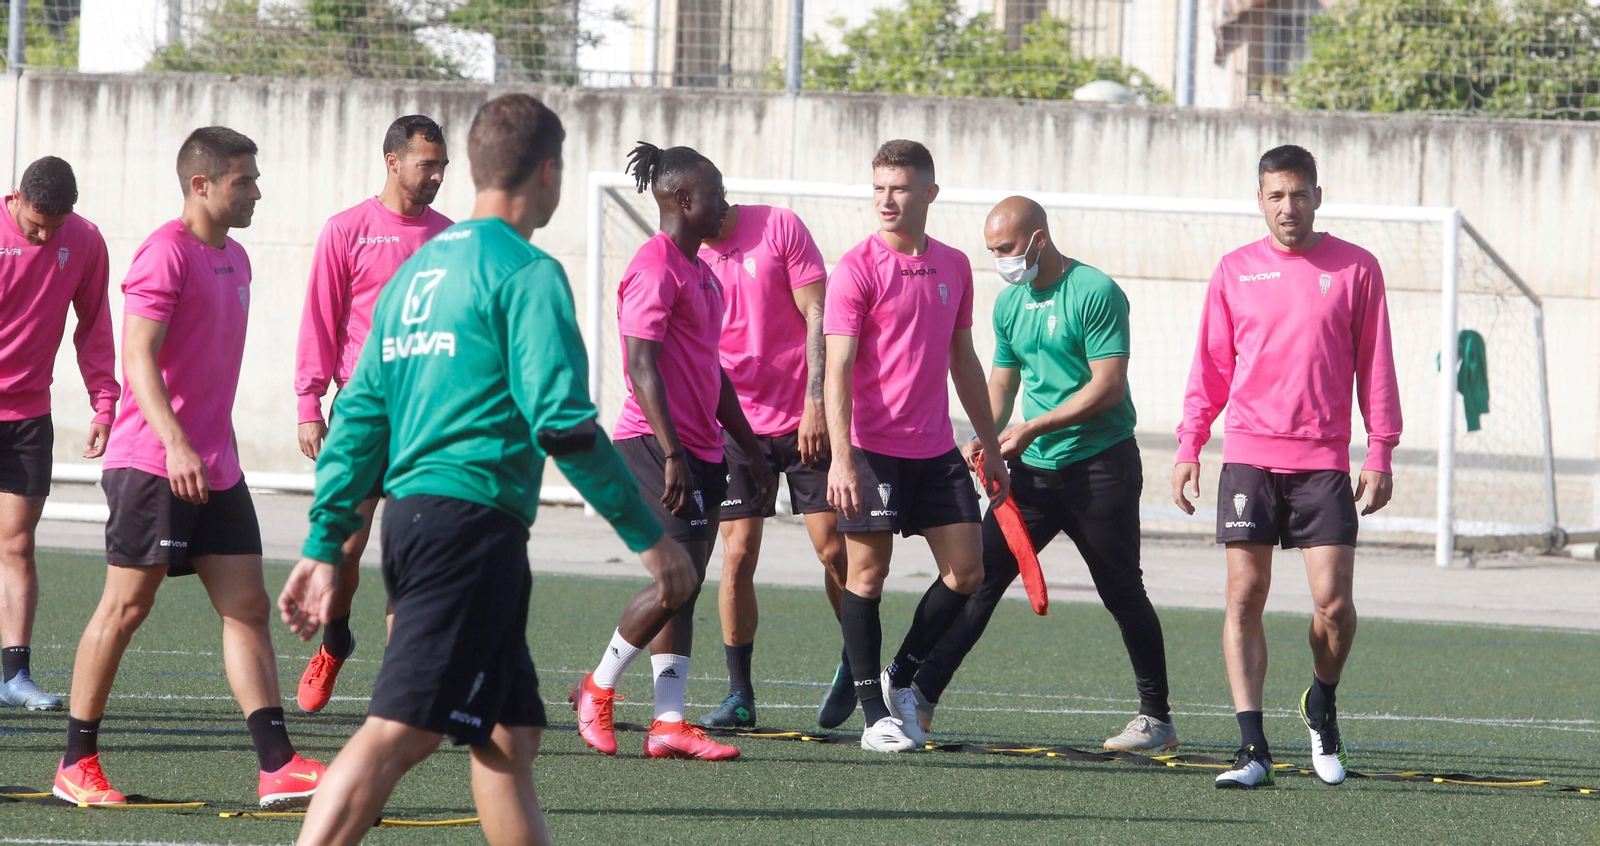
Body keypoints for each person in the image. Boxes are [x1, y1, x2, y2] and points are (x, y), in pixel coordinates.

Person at [278, 94, 696, 846]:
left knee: (509, 737)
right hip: (466, 531)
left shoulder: (417, 273)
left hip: (424, 523)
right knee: (399, 732)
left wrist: (322, 541)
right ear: (549, 171)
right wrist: (651, 539)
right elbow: (563, 424)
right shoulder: (526, 272)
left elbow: (360, 416)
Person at [54, 127, 326, 808]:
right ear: (201, 185)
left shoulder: (237, 257)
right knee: (126, 607)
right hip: (153, 463)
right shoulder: (164, 253)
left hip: (216, 468)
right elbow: (137, 356)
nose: (256, 191)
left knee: (247, 607)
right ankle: (75, 763)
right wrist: (176, 443)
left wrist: (207, 449)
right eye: (244, 180)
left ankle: (278, 766)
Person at [907, 196, 1178, 752]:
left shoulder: (1095, 291)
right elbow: (1003, 382)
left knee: (1122, 591)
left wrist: (1032, 428)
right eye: (992, 251)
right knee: (977, 578)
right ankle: (920, 700)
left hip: (1100, 467)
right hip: (1031, 473)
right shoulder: (1009, 302)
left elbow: (1109, 385)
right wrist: (986, 435)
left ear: (1038, 239)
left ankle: (1156, 719)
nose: (1001, 261)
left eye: (1007, 248)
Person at [1173, 144, 1400, 789]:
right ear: (1260, 201)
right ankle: (1253, 748)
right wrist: (1190, 445)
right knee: (1245, 595)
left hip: (1322, 463)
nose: (1288, 207)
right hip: (1248, 458)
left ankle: (1320, 701)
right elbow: (1211, 368)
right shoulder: (1234, 270)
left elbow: (1375, 366)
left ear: (1317, 198)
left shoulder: (1357, 268)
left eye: (1299, 194)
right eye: (1276, 195)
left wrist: (1380, 448)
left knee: (1334, 605)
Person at [570, 142, 773, 761]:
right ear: (683, 199)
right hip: (655, 446)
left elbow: (713, 372)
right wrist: (674, 453)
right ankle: (597, 687)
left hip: (703, 451)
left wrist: (750, 448)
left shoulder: (703, 272)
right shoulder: (655, 266)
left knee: (685, 585)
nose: (725, 204)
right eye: (715, 193)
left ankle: (668, 723)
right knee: (674, 579)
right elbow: (641, 366)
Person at [824, 139, 1009, 753]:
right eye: (878, 187)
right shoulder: (856, 267)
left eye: (899, 188)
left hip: (935, 449)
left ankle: (899, 675)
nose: (886, 199)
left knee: (968, 572)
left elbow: (964, 360)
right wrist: (843, 457)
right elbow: (837, 368)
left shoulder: (954, 265)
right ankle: (874, 716)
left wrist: (989, 445)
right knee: (867, 574)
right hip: (871, 450)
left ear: (929, 192)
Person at [292, 114, 453, 714]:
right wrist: (308, 403)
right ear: (393, 161)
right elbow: (320, 319)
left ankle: (401, 691)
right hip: (361, 414)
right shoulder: (347, 230)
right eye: (426, 164)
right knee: (343, 551)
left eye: (442, 166)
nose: (436, 176)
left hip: (429, 422)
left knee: (412, 557)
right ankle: (335, 642)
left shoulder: (452, 239)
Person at [694, 203, 854, 730]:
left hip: (804, 418)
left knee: (833, 550)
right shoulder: (685, 251)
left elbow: (817, 312)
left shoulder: (779, 226)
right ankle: (740, 695)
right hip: (735, 426)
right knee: (737, 554)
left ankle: (856, 663)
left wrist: (816, 401)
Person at [0, 156, 117, 711]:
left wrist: (104, 401)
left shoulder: (86, 241)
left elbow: (94, 326)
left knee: (17, 544)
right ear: (17, 198)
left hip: (28, 416)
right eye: (35, 224)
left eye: (55, 226)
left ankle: (14, 676)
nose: (45, 237)